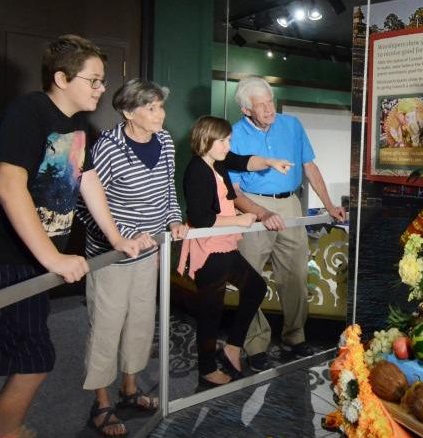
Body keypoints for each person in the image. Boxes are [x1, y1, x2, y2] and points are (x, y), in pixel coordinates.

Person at [0, 35, 144, 438]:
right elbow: (8, 185)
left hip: (26, 263)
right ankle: (7, 431)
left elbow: (88, 181)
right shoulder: (29, 112)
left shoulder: (76, 125)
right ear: (61, 78)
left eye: (101, 80)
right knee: (30, 359)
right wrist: (53, 259)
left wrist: (116, 238)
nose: (101, 88)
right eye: (93, 80)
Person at [74, 78, 184, 436]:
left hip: (149, 251)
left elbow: (168, 188)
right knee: (107, 327)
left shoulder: (165, 141)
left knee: (139, 322)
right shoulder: (107, 147)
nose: (159, 114)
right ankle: (102, 404)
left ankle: (130, 389)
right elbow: (84, 202)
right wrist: (117, 239)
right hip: (111, 257)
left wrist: (174, 219)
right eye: (150, 108)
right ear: (127, 112)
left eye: (160, 106)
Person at [228, 77, 346, 372]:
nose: (270, 109)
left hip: (290, 204)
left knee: (295, 275)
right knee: (251, 281)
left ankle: (295, 336)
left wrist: (330, 204)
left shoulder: (291, 125)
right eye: (261, 105)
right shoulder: (233, 135)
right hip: (253, 208)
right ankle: (255, 343)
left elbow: (309, 167)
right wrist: (262, 214)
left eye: (271, 101)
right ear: (246, 110)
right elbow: (235, 191)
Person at [178, 116, 287, 388]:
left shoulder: (218, 162)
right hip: (208, 251)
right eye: (224, 140)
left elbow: (244, 161)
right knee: (210, 313)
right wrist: (239, 220)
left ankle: (233, 347)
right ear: (207, 140)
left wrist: (271, 162)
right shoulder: (196, 170)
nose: (229, 145)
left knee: (256, 288)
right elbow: (201, 218)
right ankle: (206, 370)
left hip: (224, 245)